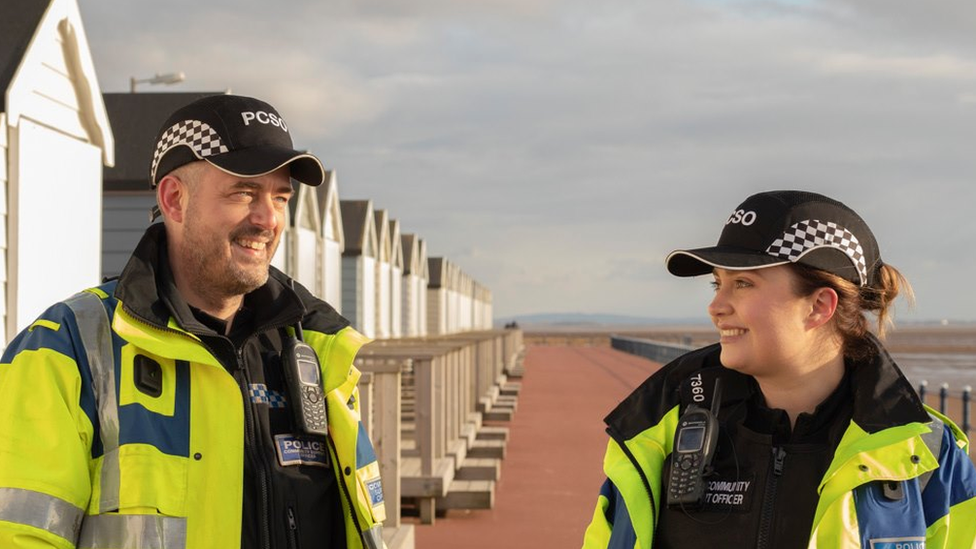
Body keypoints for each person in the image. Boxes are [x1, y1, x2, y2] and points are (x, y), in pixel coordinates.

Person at [0, 95, 386, 549]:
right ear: (174, 199)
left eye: (280, 197)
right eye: (245, 193)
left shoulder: (320, 352)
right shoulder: (68, 351)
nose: (268, 220)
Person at [582, 190, 976, 548]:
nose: (716, 306)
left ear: (820, 306)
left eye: (743, 284)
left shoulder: (925, 459)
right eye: (716, 284)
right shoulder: (655, 434)